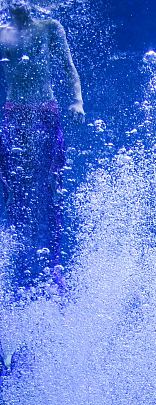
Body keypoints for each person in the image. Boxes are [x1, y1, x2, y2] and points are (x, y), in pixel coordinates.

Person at [0, 0, 83, 291]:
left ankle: (55, 265)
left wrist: (77, 100)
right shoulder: (1, 34)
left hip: (46, 110)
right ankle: (18, 265)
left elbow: (68, 66)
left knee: (51, 183)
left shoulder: (50, 28)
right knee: (11, 187)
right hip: (14, 112)